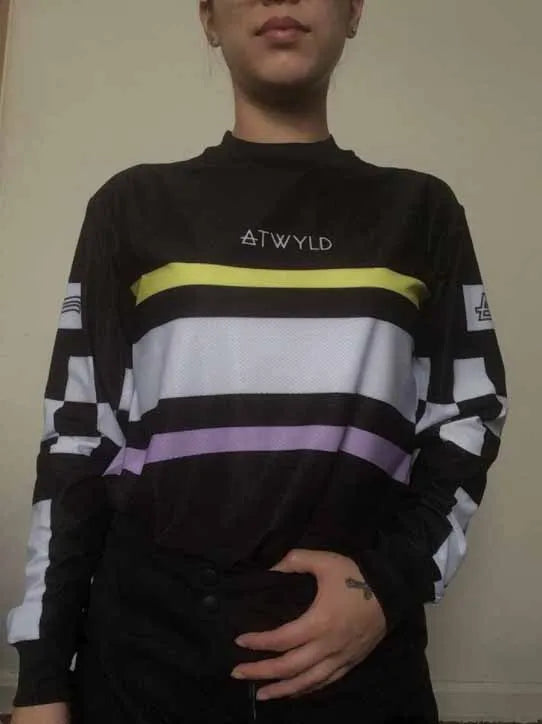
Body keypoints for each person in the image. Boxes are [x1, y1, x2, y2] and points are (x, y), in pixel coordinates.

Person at [6, 1, 508, 722]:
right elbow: (77, 439)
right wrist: (41, 680)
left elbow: (469, 414)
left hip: (358, 673)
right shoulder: (132, 205)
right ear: (209, 18)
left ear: (353, 12)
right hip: (146, 665)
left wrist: (387, 587)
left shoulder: (422, 211)